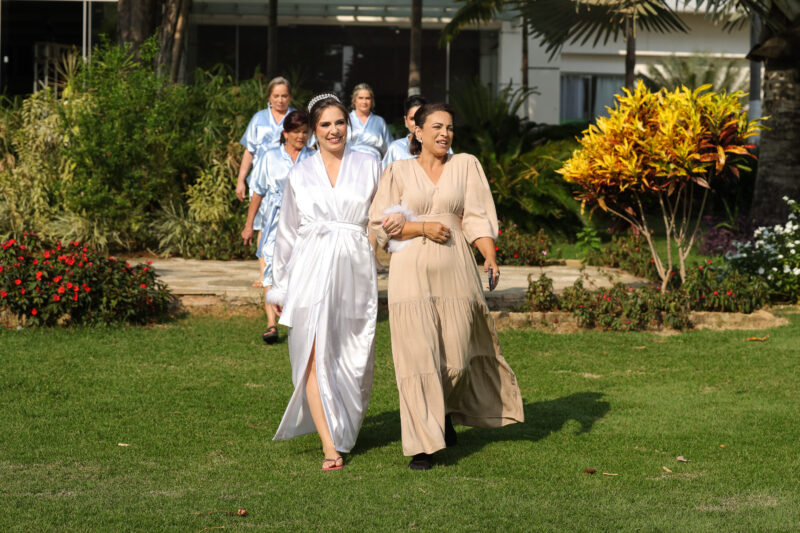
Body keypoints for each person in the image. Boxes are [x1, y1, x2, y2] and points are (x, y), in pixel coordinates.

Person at [369, 102, 525, 471]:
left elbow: (477, 216)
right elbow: (379, 225)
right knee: (417, 359)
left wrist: (489, 256)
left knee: (457, 359)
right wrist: (422, 227)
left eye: (450, 128)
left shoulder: (466, 165)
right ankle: (423, 445)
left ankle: (443, 411)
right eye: (437, 127)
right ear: (417, 131)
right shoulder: (397, 171)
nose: (445, 133)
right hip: (410, 274)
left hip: (457, 270)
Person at [267, 94, 390, 471]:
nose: (334, 130)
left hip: (355, 270)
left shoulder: (370, 164)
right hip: (309, 269)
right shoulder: (300, 173)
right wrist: (278, 285)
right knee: (311, 354)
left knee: (353, 355)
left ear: (347, 125)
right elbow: (286, 232)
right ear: (313, 130)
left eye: (340, 122)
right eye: (325, 124)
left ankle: (344, 426)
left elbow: (384, 218)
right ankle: (329, 445)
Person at [241, 111, 314, 344]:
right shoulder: (269, 157)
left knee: (303, 269)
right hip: (274, 221)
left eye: (305, 132)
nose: (301, 136)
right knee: (270, 269)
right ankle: (271, 323)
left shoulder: (314, 158)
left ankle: (301, 321)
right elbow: (258, 192)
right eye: (296, 132)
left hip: (305, 221)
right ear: (285, 133)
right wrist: (249, 224)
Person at [236, 76, 296, 288]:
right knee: (263, 224)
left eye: (284, 96)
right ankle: (264, 273)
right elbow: (249, 151)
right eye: (276, 96)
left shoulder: (295, 118)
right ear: (269, 97)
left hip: (288, 180)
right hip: (262, 180)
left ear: (290, 97)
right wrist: (241, 180)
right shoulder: (259, 119)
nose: (280, 100)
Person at [347, 83, 393, 160]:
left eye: (367, 98)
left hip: (375, 162)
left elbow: (388, 149)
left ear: (372, 101)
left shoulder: (379, 121)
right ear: (354, 100)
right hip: (350, 161)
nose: (364, 102)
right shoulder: (345, 120)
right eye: (361, 98)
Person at [382, 95, 427, 167]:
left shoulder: (438, 146)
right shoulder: (396, 148)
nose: (416, 123)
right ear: (406, 121)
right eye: (412, 119)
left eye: (420, 118)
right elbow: (386, 172)